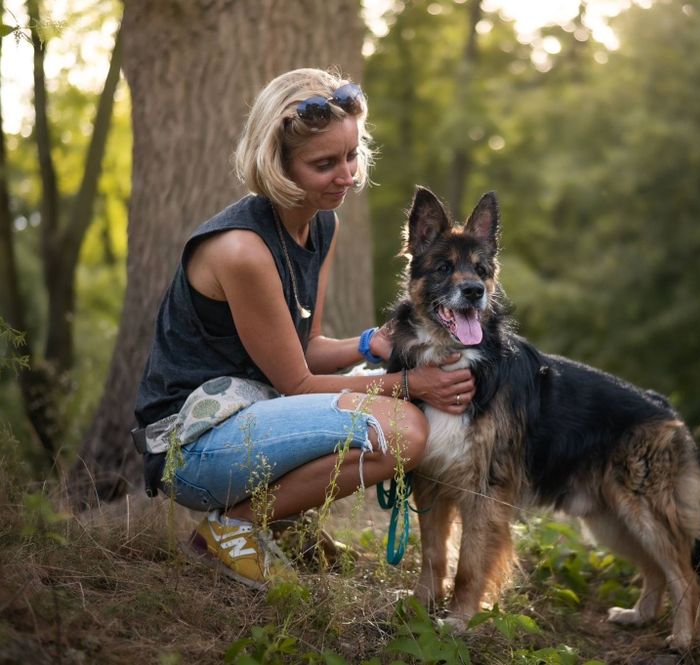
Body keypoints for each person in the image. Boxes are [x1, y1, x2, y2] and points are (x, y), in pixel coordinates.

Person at [133, 68, 475, 589]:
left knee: (381, 391)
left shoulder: (321, 222)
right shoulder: (242, 250)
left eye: (352, 156)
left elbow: (304, 350)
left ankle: (282, 520)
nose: (346, 176)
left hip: (255, 411)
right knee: (403, 431)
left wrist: (368, 343)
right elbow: (297, 384)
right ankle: (234, 528)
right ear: (279, 166)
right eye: (324, 164)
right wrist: (411, 385)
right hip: (192, 445)